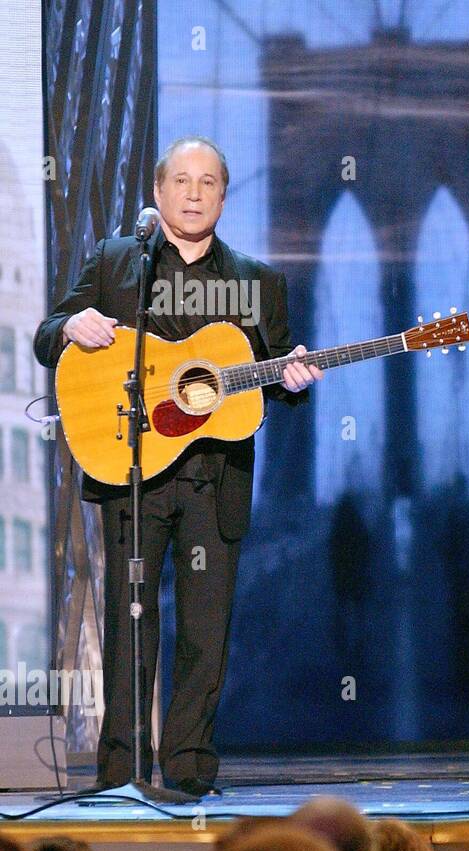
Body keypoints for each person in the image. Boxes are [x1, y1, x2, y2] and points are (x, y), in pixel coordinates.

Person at [34, 136, 323, 798]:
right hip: (132, 471)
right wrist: (73, 324)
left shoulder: (258, 281)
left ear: (224, 194)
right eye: (182, 181)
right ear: (158, 192)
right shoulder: (116, 262)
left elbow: (274, 376)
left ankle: (188, 769)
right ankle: (120, 771)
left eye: (209, 182)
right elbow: (50, 335)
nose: (194, 193)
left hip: (216, 479)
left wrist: (295, 376)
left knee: (204, 629)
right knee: (129, 619)